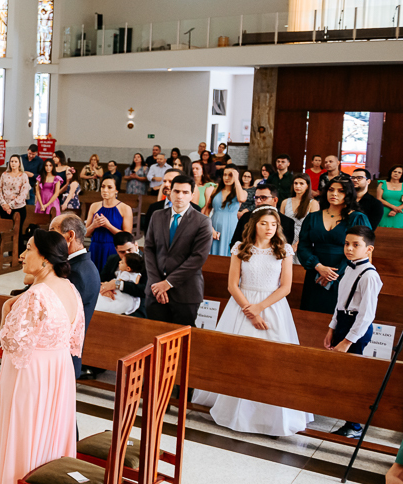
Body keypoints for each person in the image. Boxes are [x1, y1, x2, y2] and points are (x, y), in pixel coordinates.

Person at [0, 231, 84, 484]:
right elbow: (73, 341)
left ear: (45, 257)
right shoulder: (71, 290)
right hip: (59, 373)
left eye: (28, 249)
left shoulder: (36, 295)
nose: (23, 255)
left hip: (31, 374)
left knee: (23, 439)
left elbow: (10, 343)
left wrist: (6, 310)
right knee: (47, 442)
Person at [195, 207, 312, 437]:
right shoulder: (241, 248)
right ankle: (233, 410)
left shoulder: (284, 250)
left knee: (273, 362)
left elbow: (286, 287)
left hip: (273, 307)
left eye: (273, 224)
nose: (269, 229)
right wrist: (249, 310)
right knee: (238, 358)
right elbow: (232, 285)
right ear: (254, 225)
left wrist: (259, 308)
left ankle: (272, 417)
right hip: (241, 306)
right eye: (264, 224)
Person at [323, 226, 382, 438]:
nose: (349, 248)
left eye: (356, 245)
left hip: (357, 329)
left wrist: (347, 341)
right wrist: (332, 328)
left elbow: (366, 315)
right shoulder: (349, 269)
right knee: (341, 375)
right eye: (347, 244)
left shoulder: (369, 276)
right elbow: (340, 303)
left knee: (352, 379)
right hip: (343, 322)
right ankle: (346, 417)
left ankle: (355, 425)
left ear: (368, 249)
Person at [144, 175, 214, 326]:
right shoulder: (157, 216)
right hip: (155, 291)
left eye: (185, 192)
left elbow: (198, 257)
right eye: (176, 191)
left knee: (180, 341)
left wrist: (168, 283)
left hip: (185, 292)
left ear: (192, 195)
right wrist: (157, 283)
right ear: (169, 193)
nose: (180, 196)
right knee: (154, 337)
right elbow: (149, 249)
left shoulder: (202, 222)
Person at [297, 180, 370, 314]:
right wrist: (318, 266)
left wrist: (333, 273)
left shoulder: (357, 218)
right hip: (316, 271)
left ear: (348, 194)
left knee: (338, 314)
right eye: (331, 190)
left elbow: (362, 250)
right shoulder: (313, 217)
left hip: (345, 271)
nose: (334, 194)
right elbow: (303, 246)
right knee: (311, 313)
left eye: (340, 191)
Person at [50, 212, 100, 378]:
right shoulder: (78, 265)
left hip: (62, 360)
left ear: (70, 235)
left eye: (52, 232)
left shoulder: (77, 272)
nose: (48, 238)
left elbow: (57, 318)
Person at [84, 178, 132, 272]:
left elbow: (127, 236)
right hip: (95, 247)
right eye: (103, 186)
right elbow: (85, 234)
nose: (105, 190)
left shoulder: (125, 208)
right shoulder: (94, 206)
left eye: (109, 187)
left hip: (112, 249)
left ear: (116, 190)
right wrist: (94, 225)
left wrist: (108, 226)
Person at [231, 183, 296, 251]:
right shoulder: (246, 217)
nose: (258, 201)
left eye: (263, 198)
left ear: (275, 200)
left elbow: (284, 249)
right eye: (256, 198)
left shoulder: (287, 222)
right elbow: (235, 243)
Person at [207, 166, 246, 255]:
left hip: (231, 226)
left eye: (230, 175)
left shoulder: (241, 192)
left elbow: (242, 199)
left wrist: (236, 179)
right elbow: (206, 211)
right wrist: (209, 227)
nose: (227, 178)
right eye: (225, 175)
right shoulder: (215, 190)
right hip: (213, 225)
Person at [96, 252, 145, 317]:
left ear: (128, 268)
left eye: (122, 262)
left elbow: (116, 283)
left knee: (103, 302)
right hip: (128, 296)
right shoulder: (137, 274)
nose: (119, 262)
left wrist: (110, 284)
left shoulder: (126, 275)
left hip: (124, 296)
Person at [279, 176, 318, 250]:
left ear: (307, 186)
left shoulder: (313, 203)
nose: (298, 186)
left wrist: (297, 244)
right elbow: (280, 224)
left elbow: (313, 227)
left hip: (304, 240)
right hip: (286, 239)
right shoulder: (285, 202)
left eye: (301, 183)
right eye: (295, 183)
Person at [141, 167, 183, 233]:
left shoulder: (194, 209)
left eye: (170, 181)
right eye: (164, 181)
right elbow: (148, 233)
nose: (166, 184)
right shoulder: (154, 208)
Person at [0, 155, 30, 227]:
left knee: (17, 232)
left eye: (15, 161)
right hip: (4, 207)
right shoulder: (4, 175)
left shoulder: (23, 176)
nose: (13, 163)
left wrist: (10, 205)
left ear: (19, 163)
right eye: (12, 161)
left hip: (18, 208)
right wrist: (4, 204)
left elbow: (23, 193)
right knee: (5, 229)